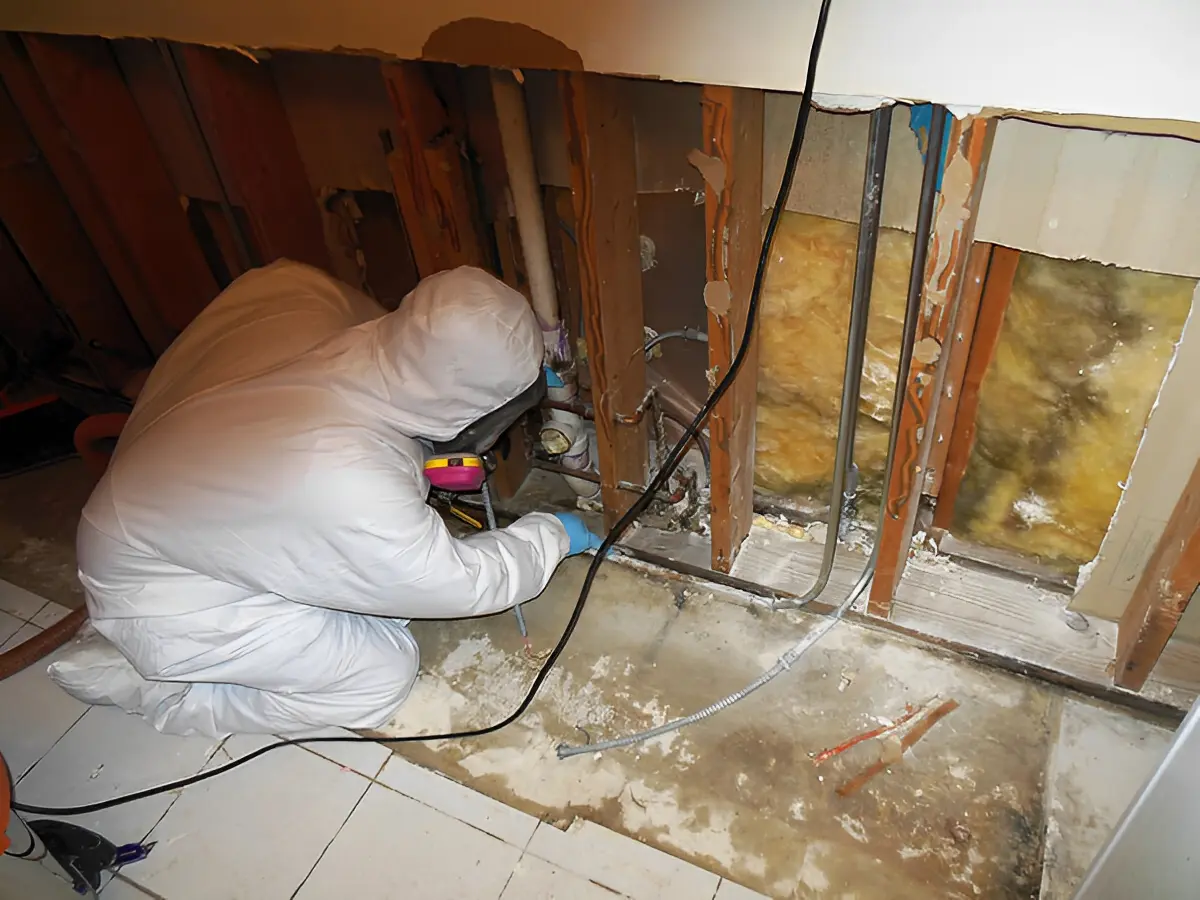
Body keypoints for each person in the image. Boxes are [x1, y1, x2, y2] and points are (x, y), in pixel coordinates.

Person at [49, 261, 601, 738]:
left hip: (162, 503)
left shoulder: (337, 320)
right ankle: (156, 689)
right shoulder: (347, 480)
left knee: (365, 592)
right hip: (162, 590)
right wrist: (552, 534)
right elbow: (461, 582)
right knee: (379, 671)